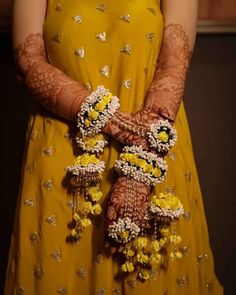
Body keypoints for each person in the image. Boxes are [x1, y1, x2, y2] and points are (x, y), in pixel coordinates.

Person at [4, 0, 224, 294]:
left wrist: (141, 164)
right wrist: (112, 121)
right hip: (65, 156)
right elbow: (28, 61)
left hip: (154, 148)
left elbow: (175, 61)